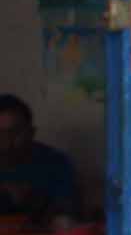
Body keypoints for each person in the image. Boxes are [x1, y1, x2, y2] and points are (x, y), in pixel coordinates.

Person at [0, 95, 80, 225]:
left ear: (31, 132)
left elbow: (68, 217)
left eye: (14, 133)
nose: (6, 141)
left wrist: (34, 199)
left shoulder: (55, 163)